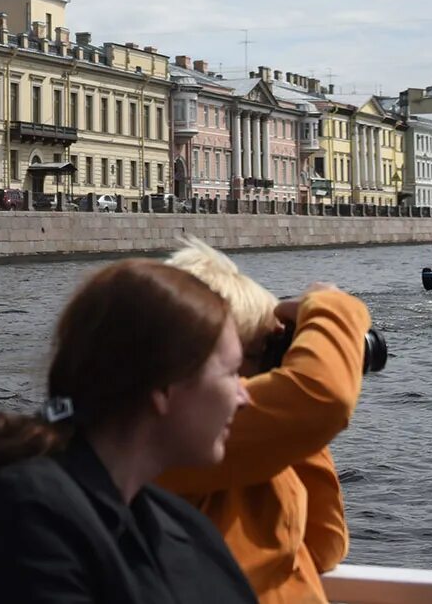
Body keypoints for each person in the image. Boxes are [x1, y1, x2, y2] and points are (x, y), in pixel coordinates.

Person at [0, 259, 257, 604]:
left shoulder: (180, 522)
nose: (246, 397)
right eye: (231, 373)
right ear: (164, 388)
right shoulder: (23, 520)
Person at [157, 238, 369, 604]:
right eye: (260, 352)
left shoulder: (250, 457)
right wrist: (331, 306)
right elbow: (324, 398)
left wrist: (292, 434)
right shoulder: (173, 437)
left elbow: (325, 544)